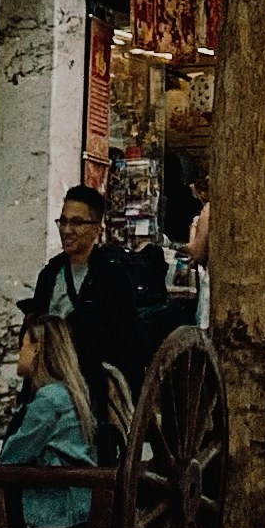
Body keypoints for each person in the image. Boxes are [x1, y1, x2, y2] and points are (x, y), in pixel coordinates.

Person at [28, 181, 164, 429]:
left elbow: (128, 345)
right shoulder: (49, 275)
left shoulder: (113, 277)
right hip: (49, 381)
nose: (67, 230)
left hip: (95, 386)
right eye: (63, 221)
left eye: (77, 222)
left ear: (96, 230)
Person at [0, 311, 97, 528]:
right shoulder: (69, 393)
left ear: (37, 349)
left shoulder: (49, 400)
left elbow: (12, 457)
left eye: (23, 346)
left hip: (53, 513)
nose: (20, 353)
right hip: (75, 508)